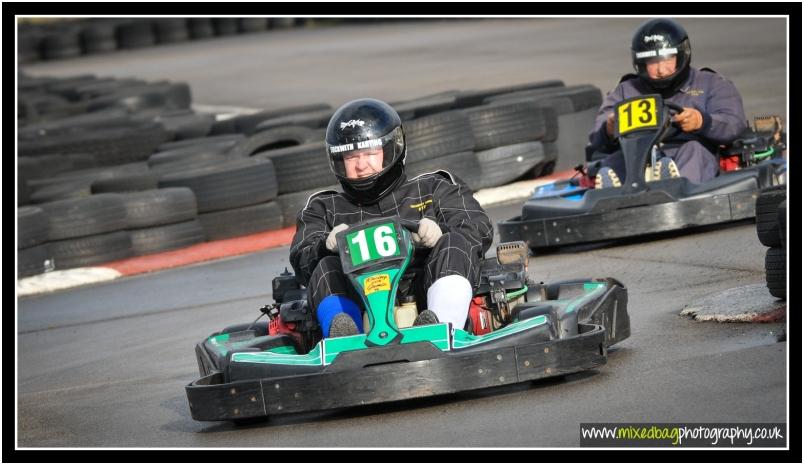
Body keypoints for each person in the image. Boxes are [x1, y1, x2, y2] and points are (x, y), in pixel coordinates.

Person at [289, 98, 493, 338]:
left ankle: (442, 328)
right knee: (325, 266)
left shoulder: (435, 187)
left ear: (391, 149)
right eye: (351, 157)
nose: (362, 165)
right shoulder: (323, 207)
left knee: (455, 242)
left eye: (369, 153)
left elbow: (478, 228)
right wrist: (325, 246)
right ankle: (344, 338)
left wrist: (442, 231)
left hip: (425, 286)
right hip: (358, 300)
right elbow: (301, 260)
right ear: (337, 160)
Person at [587, 18, 748, 188]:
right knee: (615, 160)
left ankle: (674, 187)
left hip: (691, 157)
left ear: (682, 55)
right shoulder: (626, 90)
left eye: (667, 59)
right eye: (652, 62)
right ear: (640, 63)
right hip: (639, 160)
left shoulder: (711, 83)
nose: (661, 70)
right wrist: (609, 128)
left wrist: (702, 122)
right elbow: (596, 138)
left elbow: (734, 123)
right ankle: (611, 196)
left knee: (694, 149)